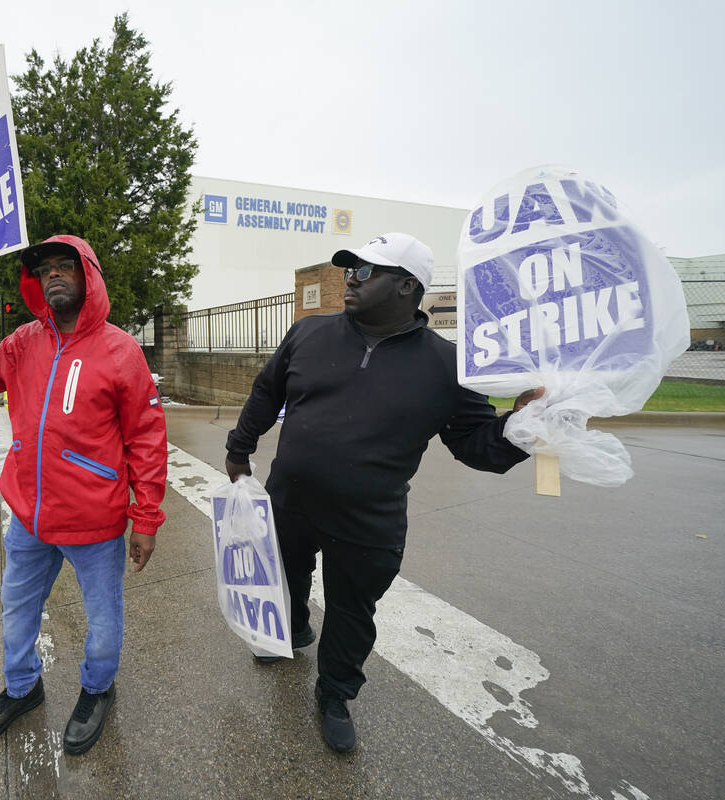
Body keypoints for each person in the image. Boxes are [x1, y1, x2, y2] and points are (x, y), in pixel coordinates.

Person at [224, 233, 543, 753]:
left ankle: (334, 694)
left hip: (368, 520)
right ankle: (295, 628)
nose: (350, 279)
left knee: (352, 610)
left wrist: (526, 425)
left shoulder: (446, 366)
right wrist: (239, 450)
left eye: (365, 272)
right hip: (291, 499)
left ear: (406, 286)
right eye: (350, 270)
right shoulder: (310, 333)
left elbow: (475, 446)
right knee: (284, 573)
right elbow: (267, 390)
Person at [0, 235, 167, 755]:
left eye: (64, 266)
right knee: (16, 608)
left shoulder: (120, 350)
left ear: (87, 274)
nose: (53, 274)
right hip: (29, 514)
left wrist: (146, 518)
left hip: (95, 520)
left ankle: (97, 689)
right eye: (44, 268)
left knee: (103, 622)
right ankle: (23, 688)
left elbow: (146, 436)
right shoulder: (25, 340)